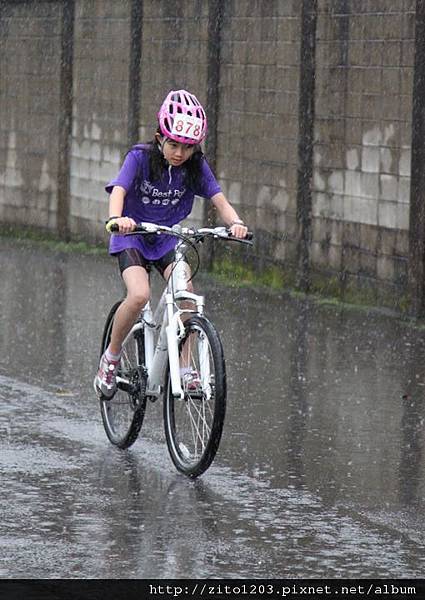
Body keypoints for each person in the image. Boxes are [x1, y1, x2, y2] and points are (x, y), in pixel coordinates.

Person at [94, 89, 248, 398]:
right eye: (173, 144)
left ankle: (186, 366)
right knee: (139, 295)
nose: (179, 153)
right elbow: (119, 190)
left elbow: (219, 199)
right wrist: (116, 218)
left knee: (188, 297)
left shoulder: (194, 166)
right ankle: (110, 359)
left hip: (166, 237)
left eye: (187, 147)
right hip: (132, 235)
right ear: (159, 137)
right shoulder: (140, 157)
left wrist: (236, 223)